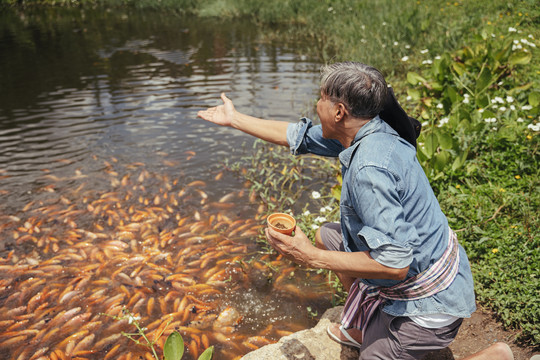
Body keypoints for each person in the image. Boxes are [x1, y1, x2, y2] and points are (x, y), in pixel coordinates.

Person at [197, 61, 513, 360]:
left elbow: (396, 265)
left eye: (320, 98)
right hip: (428, 260)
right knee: (327, 236)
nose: (315, 105)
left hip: (429, 300)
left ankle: (493, 354)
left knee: (325, 255)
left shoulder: (369, 168)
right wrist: (234, 118)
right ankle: (364, 325)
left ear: (339, 111)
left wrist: (309, 256)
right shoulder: (368, 129)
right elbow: (298, 136)